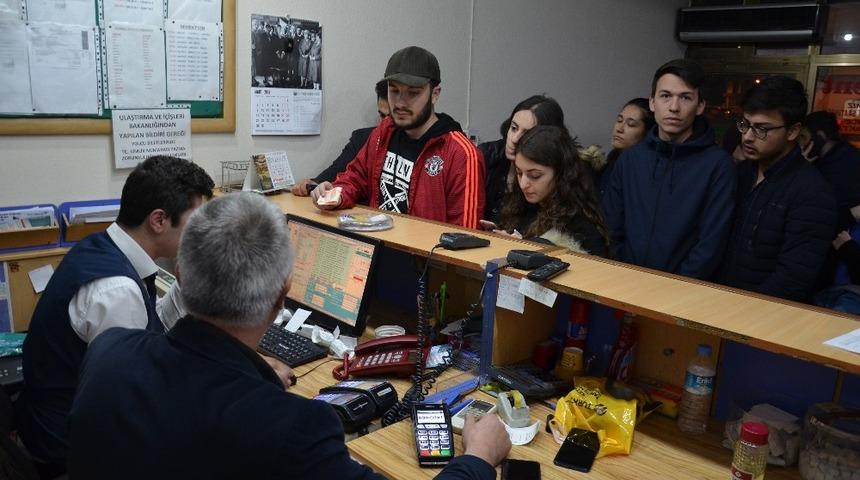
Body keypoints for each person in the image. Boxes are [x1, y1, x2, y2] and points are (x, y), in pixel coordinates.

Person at [67, 193, 512, 479]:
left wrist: (253, 375)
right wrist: (477, 458)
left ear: (180, 276)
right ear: (283, 295)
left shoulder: (109, 352)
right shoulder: (294, 431)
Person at [16, 156, 214, 470]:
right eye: (197, 222)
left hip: (47, 420)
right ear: (159, 220)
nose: (202, 234)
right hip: (66, 448)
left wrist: (187, 285)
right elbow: (130, 402)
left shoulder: (104, 245)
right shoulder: (117, 291)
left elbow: (151, 327)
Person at [312, 46, 484, 229]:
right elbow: (355, 177)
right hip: (376, 243)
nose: (400, 103)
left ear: (435, 94)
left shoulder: (461, 154)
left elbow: (466, 236)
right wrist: (335, 195)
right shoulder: (385, 130)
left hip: (422, 248)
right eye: (394, 91)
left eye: (413, 93)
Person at [601, 59, 736, 279]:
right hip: (624, 282)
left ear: (700, 106)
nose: (674, 107)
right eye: (665, 96)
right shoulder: (631, 159)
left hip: (683, 289)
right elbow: (611, 225)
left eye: (685, 97)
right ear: (652, 102)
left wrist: (675, 286)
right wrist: (622, 273)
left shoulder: (718, 165)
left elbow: (711, 243)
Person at [717, 76, 836, 303]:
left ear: (793, 131)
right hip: (720, 300)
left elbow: (793, 279)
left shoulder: (812, 192)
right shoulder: (740, 173)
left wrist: (742, 308)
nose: (748, 137)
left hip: (762, 312)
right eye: (745, 124)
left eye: (762, 129)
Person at [494, 125, 609, 256]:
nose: (523, 184)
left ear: (561, 174)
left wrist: (522, 248)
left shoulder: (581, 228)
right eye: (519, 173)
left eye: (535, 176)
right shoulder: (521, 207)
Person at [292, 80, 390, 196]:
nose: (385, 123)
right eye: (382, 115)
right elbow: (335, 173)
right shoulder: (362, 139)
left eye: (391, 117)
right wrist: (313, 184)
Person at [478, 95, 565, 223]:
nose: (514, 139)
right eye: (514, 128)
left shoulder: (560, 176)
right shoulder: (486, 155)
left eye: (527, 134)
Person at [800, 111, 860, 231]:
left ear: (819, 137)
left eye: (803, 138)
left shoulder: (843, 165)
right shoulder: (823, 159)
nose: (800, 144)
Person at [596, 98, 655, 198]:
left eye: (631, 124)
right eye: (619, 120)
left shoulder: (644, 172)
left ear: (647, 132)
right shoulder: (612, 161)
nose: (619, 129)